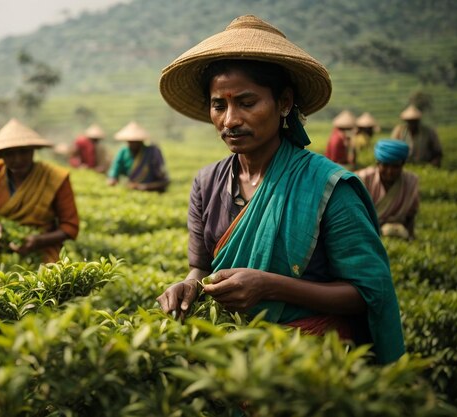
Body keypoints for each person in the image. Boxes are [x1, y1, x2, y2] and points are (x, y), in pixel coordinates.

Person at [156, 15, 404, 364]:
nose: (230, 120)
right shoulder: (206, 183)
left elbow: (366, 293)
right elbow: (200, 267)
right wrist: (188, 287)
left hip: (312, 361)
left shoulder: (328, 187)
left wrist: (269, 286)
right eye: (219, 105)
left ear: (284, 103)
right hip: (230, 358)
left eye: (246, 102)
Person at [0, 118, 79, 263]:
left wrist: (39, 240)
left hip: (44, 251)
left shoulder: (56, 177)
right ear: (1, 154)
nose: (18, 159)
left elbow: (70, 227)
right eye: (10, 153)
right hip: (0, 248)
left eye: (23, 152)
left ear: (33, 150)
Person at [356, 140, 419, 240]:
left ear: (402, 164)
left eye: (395, 166)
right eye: (385, 165)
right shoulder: (363, 178)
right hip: (366, 230)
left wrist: (411, 237)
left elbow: (411, 214)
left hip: (397, 231)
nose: (390, 171)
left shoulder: (411, 181)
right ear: (378, 163)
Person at [107, 121, 170, 192]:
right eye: (130, 141)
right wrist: (113, 178)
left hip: (151, 190)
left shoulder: (152, 152)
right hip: (131, 189)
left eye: (135, 141)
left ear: (141, 141)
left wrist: (143, 187)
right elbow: (115, 169)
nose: (132, 144)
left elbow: (164, 181)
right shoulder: (123, 152)